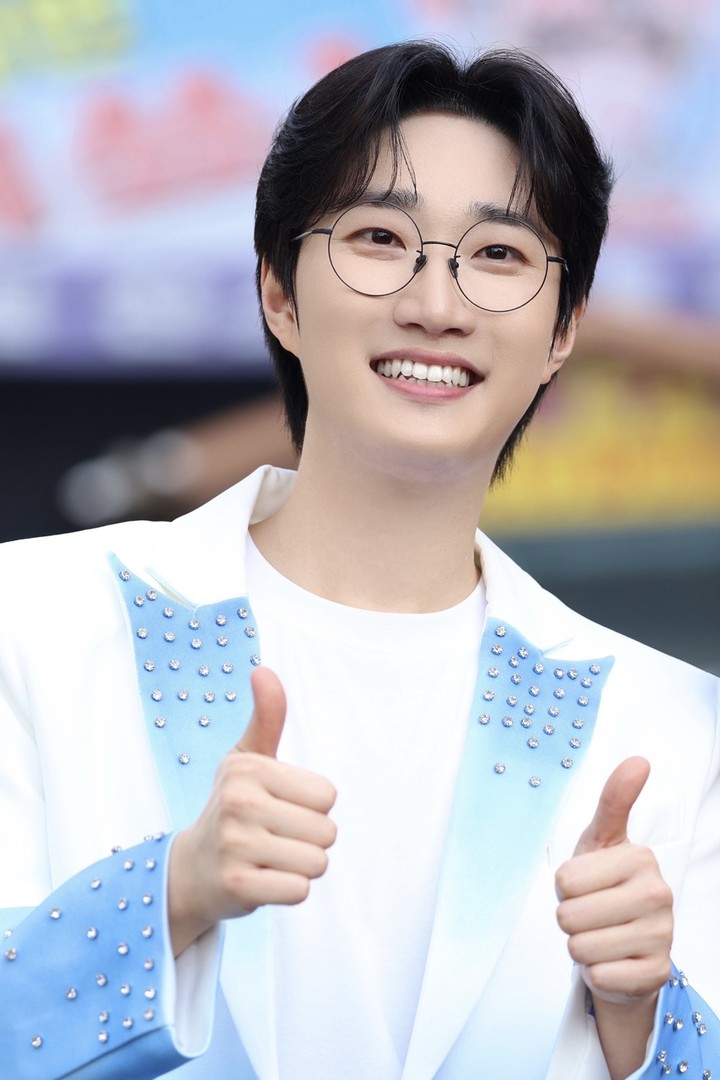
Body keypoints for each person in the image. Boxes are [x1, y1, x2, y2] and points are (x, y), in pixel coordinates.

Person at [0, 40, 718, 1080]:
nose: (437, 303)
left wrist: (642, 1018)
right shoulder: (35, 620)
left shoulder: (671, 725)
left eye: (500, 254)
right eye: (381, 238)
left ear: (564, 331)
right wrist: (168, 896)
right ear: (279, 294)